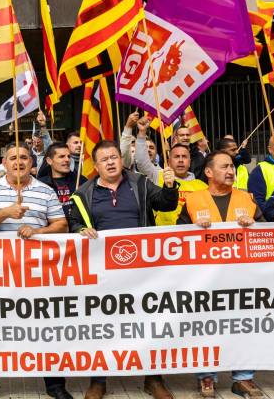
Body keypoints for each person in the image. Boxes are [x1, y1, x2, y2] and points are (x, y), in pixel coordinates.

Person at [68, 140, 178, 399]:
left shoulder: (139, 183)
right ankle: (98, 380)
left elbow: (166, 204)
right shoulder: (84, 193)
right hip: (103, 271)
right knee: (102, 325)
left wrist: (170, 187)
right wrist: (79, 230)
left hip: (143, 269)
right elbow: (73, 222)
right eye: (104, 159)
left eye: (114, 157)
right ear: (95, 166)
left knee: (148, 322)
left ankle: (153, 378)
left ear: (121, 159)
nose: (110, 162)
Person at [0, 142, 70, 399]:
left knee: (46, 329)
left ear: (31, 162)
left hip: (37, 273)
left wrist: (38, 231)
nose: (18, 162)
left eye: (24, 157)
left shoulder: (45, 191)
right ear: (4, 164)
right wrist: (6, 212)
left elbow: (61, 225)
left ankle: (56, 387)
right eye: (13, 158)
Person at [176, 151, 264, 398]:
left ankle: (244, 378)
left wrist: (255, 225)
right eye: (224, 166)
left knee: (243, 327)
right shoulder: (193, 200)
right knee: (205, 329)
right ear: (208, 172)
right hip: (205, 280)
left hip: (242, 278)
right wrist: (194, 230)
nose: (230, 171)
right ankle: (206, 377)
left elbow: (268, 235)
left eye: (232, 167)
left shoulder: (248, 199)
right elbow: (177, 240)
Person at [38, 142, 85, 220]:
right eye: (62, 156)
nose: (67, 160)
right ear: (49, 161)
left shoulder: (81, 181)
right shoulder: (40, 185)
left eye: (69, 156)